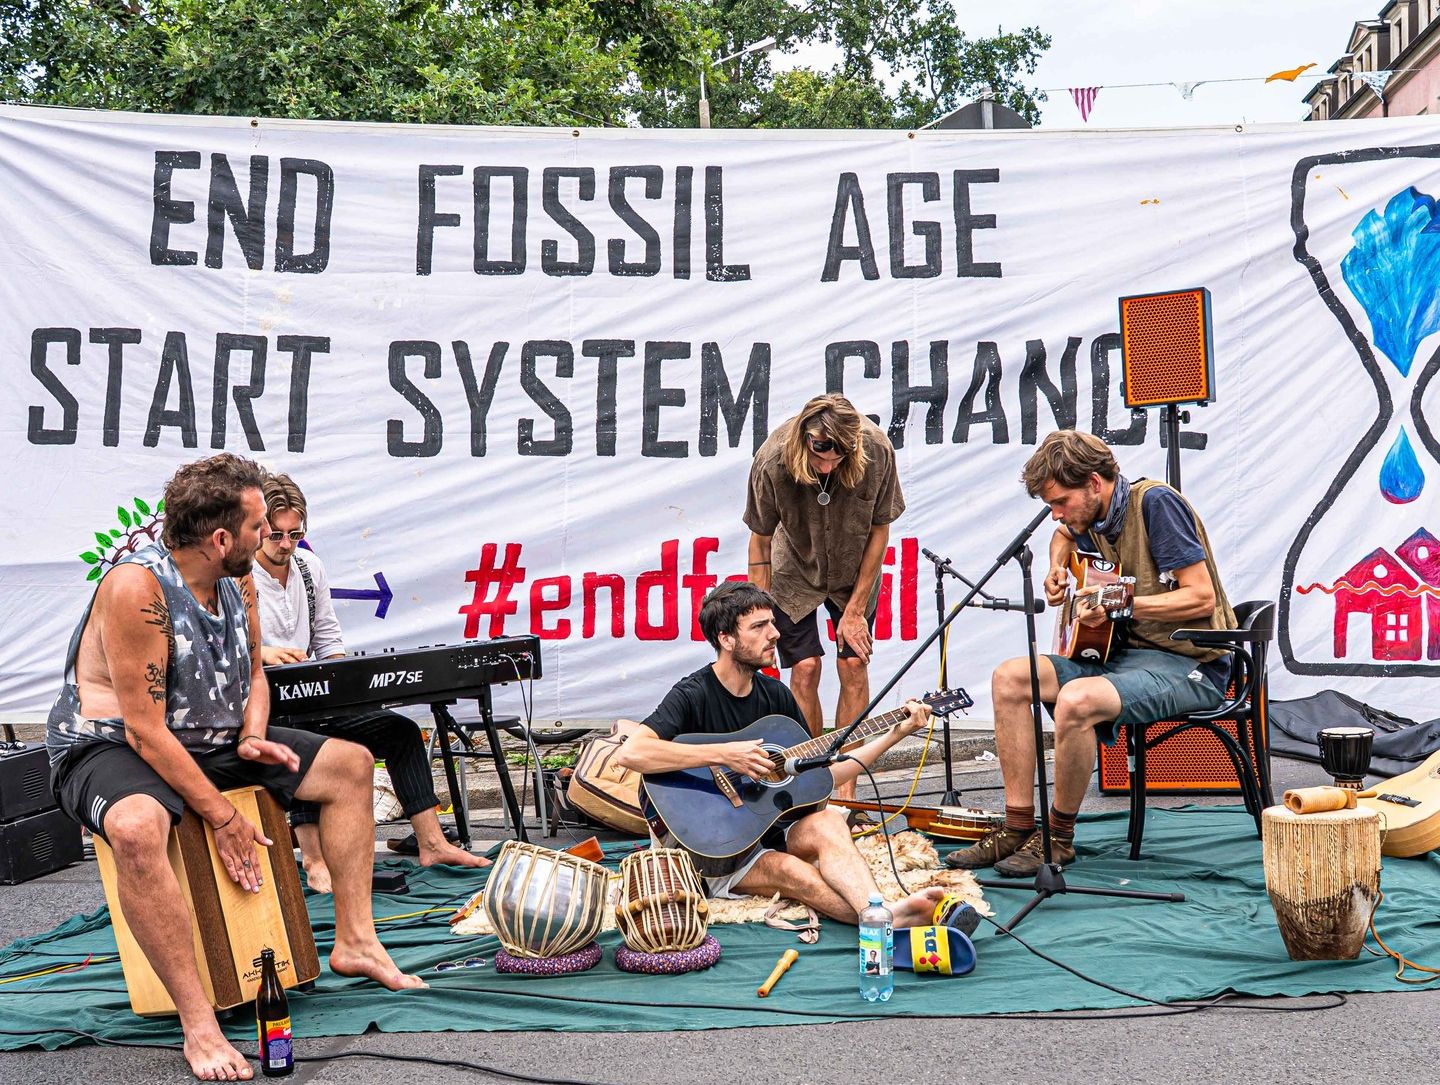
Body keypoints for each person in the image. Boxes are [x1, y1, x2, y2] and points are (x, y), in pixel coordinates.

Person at [46, 454, 424, 1082]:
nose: (267, 536)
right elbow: (144, 730)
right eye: (257, 526)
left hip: (211, 736)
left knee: (351, 765)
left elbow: (253, 673)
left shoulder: (236, 578)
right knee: (139, 828)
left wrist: (251, 738)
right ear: (222, 538)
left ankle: (356, 942)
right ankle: (200, 1023)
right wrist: (221, 815)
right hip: (110, 745)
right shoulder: (137, 589)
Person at [947, 430, 1236, 878]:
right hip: (1123, 656)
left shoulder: (1155, 504)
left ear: (1096, 483)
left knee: (1077, 700)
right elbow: (1062, 535)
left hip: (1190, 662)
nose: (1056, 514)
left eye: (1060, 501)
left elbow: (1200, 598)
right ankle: (1019, 826)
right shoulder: (1090, 516)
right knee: (1009, 678)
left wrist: (1121, 606)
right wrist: (1057, 567)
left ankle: (1059, 838)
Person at [615, 581, 945, 928]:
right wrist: (724, 755)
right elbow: (632, 752)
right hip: (711, 852)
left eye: (772, 623)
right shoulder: (692, 693)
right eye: (759, 627)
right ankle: (888, 917)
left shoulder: (776, 697)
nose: (774, 634)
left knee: (830, 820)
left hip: (768, 834)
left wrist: (896, 734)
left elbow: (824, 774)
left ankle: (885, 915)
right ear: (726, 639)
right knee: (792, 871)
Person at [254, 473, 485, 891]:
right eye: (276, 535)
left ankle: (432, 842)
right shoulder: (238, 577)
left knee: (401, 732)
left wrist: (340, 680)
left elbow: (326, 633)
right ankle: (315, 861)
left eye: (295, 534)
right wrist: (263, 654)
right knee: (308, 740)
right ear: (258, 530)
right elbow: (227, 646)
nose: (286, 544)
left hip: (312, 694)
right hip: (265, 704)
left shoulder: (310, 568)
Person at [744, 393, 904, 807]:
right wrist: (759, 614)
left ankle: (845, 794)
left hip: (854, 572)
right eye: (820, 455)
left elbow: (880, 532)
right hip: (794, 572)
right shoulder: (772, 458)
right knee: (806, 668)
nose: (828, 466)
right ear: (805, 436)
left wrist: (854, 610)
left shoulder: (876, 449)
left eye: (839, 458)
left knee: (853, 666)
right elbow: (760, 539)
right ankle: (812, 786)